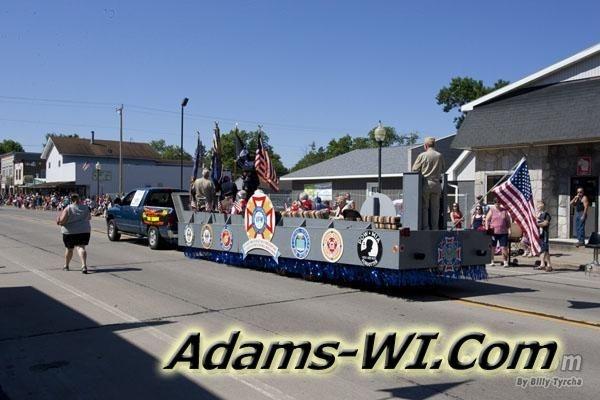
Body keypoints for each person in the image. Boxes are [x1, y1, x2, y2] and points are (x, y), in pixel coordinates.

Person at [411, 137, 445, 230]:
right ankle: (435, 228)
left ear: (425, 145)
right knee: (435, 208)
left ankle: (426, 227)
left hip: (426, 183)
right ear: (434, 145)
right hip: (437, 184)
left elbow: (414, 169)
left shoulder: (422, 155)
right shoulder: (439, 155)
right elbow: (443, 168)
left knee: (425, 207)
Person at [56, 193, 91, 274]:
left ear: (71, 199)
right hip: (84, 230)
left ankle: (66, 265)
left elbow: (62, 221)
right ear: (79, 199)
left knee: (69, 249)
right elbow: (89, 217)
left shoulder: (68, 208)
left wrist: (58, 220)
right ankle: (84, 265)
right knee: (81, 247)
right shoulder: (86, 207)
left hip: (70, 232)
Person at [485, 198, 511, 267]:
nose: (497, 204)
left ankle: (505, 261)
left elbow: (508, 221)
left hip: (503, 232)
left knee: (504, 247)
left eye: (498, 202)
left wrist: (509, 229)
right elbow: (487, 220)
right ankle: (492, 261)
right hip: (493, 232)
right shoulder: (492, 210)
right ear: (494, 203)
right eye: (496, 202)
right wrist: (487, 228)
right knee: (493, 247)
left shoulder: (504, 210)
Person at [535, 200, 552, 272]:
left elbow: (546, 223)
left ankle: (549, 265)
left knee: (544, 249)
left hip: (544, 233)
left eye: (540, 204)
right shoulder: (538, 215)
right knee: (543, 249)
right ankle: (543, 264)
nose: (538, 206)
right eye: (538, 204)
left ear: (543, 206)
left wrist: (537, 224)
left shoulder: (546, 214)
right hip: (539, 234)